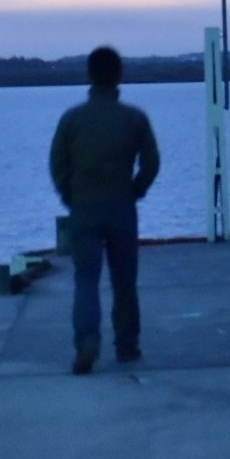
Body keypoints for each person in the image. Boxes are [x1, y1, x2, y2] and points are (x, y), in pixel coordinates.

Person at [49, 46, 160, 374]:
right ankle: (126, 346)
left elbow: (57, 163)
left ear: (89, 75)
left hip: (84, 208)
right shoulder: (134, 118)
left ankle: (87, 343)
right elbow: (152, 161)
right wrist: (136, 189)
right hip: (122, 206)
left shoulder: (72, 119)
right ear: (119, 75)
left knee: (86, 280)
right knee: (124, 280)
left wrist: (70, 195)